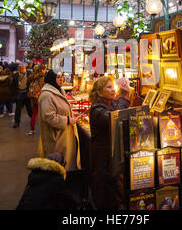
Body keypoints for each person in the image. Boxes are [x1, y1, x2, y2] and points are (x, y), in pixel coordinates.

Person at [88, 76, 130, 209]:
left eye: (113, 87)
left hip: (110, 153)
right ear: (99, 93)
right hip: (101, 155)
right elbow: (114, 117)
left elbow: (117, 109)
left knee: (113, 185)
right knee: (102, 186)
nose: (113, 90)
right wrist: (123, 97)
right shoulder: (97, 109)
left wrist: (123, 98)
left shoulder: (110, 104)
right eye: (109, 87)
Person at [37, 70, 80, 172]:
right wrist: (68, 120)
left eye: (62, 76)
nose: (61, 79)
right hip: (56, 137)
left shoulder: (60, 90)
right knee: (58, 165)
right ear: (51, 79)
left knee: (65, 163)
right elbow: (48, 117)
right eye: (58, 77)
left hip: (63, 135)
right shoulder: (47, 95)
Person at [12, 64, 33, 128]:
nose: (22, 69)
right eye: (20, 68)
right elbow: (13, 85)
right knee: (18, 109)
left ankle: (33, 118)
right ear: (19, 68)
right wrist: (14, 94)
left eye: (23, 68)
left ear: (25, 67)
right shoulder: (15, 75)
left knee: (29, 108)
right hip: (19, 93)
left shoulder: (29, 73)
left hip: (26, 93)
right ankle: (16, 122)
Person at [28, 64, 45, 135]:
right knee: (44, 115)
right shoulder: (42, 78)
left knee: (34, 114)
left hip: (34, 98)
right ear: (42, 70)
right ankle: (44, 130)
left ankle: (32, 129)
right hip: (41, 98)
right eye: (44, 69)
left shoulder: (33, 76)